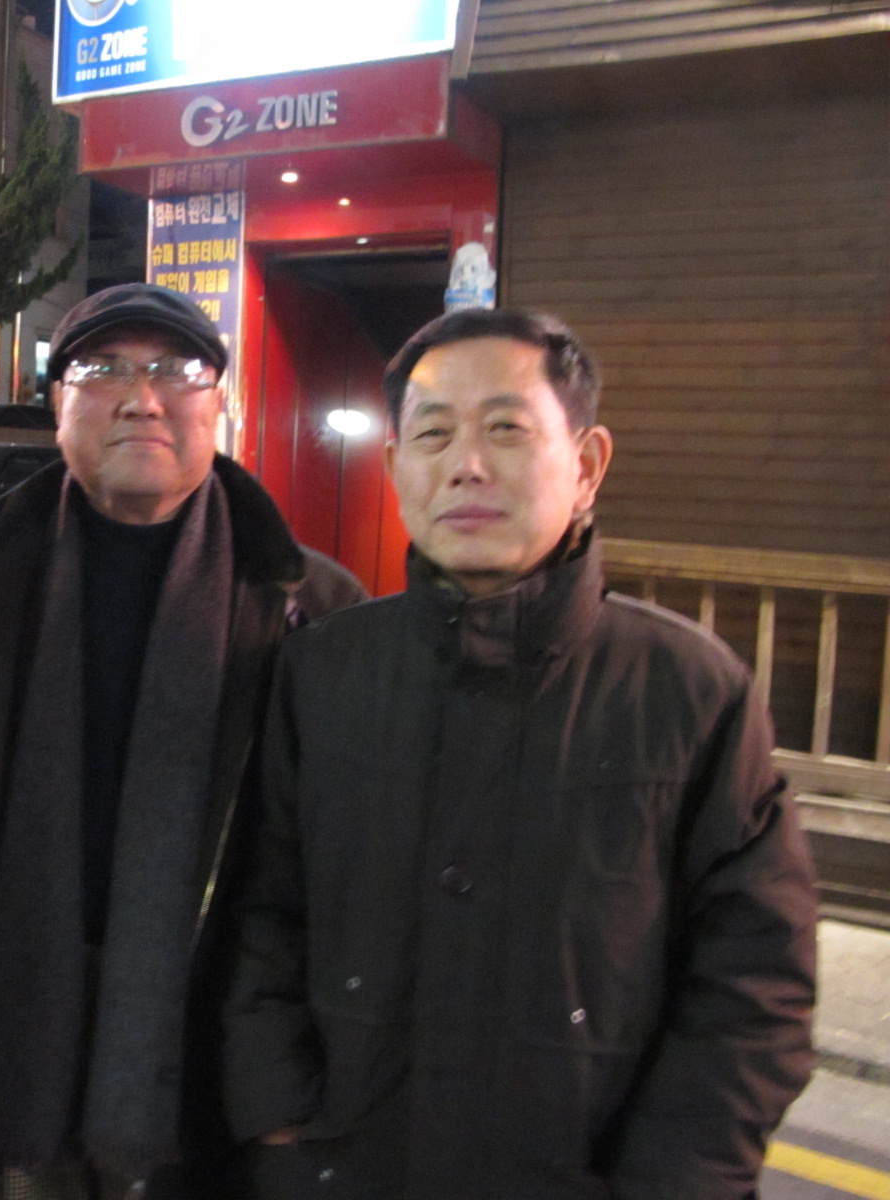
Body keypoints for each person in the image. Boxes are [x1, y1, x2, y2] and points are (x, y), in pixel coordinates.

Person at [224, 308, 818, 1200]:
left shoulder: (689, 690)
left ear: (587, 465)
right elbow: (261, 914)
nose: (467, 464)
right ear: (396, 467)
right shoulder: (323, 672)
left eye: (506, 429)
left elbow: (755, 980)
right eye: (433, 435)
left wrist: (677, 1181)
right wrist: (280, 1125)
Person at [0, 282, 366, 1200]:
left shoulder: (312, 607)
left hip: (207, 1062)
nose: (142, 397)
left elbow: (332, 876)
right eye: (103, 369)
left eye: (176, 369)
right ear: (59, 402)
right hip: (4, 1038)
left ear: (220, 404)